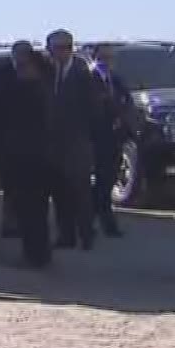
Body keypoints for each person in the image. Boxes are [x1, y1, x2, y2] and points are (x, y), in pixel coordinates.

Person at [0, 42, 54, 268]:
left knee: (32, 207)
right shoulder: (14, 80)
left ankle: (36, 254)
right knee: (29, 207)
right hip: (23, 154)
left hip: (28, 155)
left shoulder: (35, 83)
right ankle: (36, 253)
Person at [44, 29, 101, 251]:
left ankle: (86, 234)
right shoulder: (49, 71)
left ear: (64, 49)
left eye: (53, 49)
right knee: (60, 192)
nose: (50, 54)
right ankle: (65, 235)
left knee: (80, 192)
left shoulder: (83, 73)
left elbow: (94, 109)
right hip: (54, 144)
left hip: (77, 144)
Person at [89, 45, 131, 239]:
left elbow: (127, 102)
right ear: (95, 57)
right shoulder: (88, 78)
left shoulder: (116, 79)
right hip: (94, 138)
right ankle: (94, 222)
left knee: (107, 181)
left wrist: (122, 117)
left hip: (114, 138)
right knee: (96, 182)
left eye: (110, 58)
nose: (107, 61)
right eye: (103, 57)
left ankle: (102, 220)